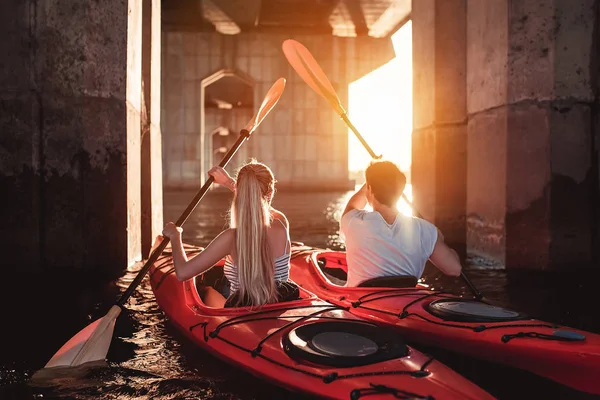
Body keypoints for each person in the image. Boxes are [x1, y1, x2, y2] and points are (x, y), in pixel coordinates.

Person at [160, 160, 296, 308]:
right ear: (270, 193)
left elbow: (183, 273)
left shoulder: (230, 238)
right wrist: (229, 182)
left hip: (241, 312)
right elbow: (257, 203)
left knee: (207, 290)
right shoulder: (282, 223)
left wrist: (175, 236)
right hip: (280, 304)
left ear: (241, 192)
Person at [340, 160, 462, 287]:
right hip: (406, 304)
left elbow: (352, 205)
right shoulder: (425, 229)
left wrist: (373, 180)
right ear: (400, 190)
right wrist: (438, 237)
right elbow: (454, 269)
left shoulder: (353, 221)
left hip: (361, 303)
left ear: (369, 189)